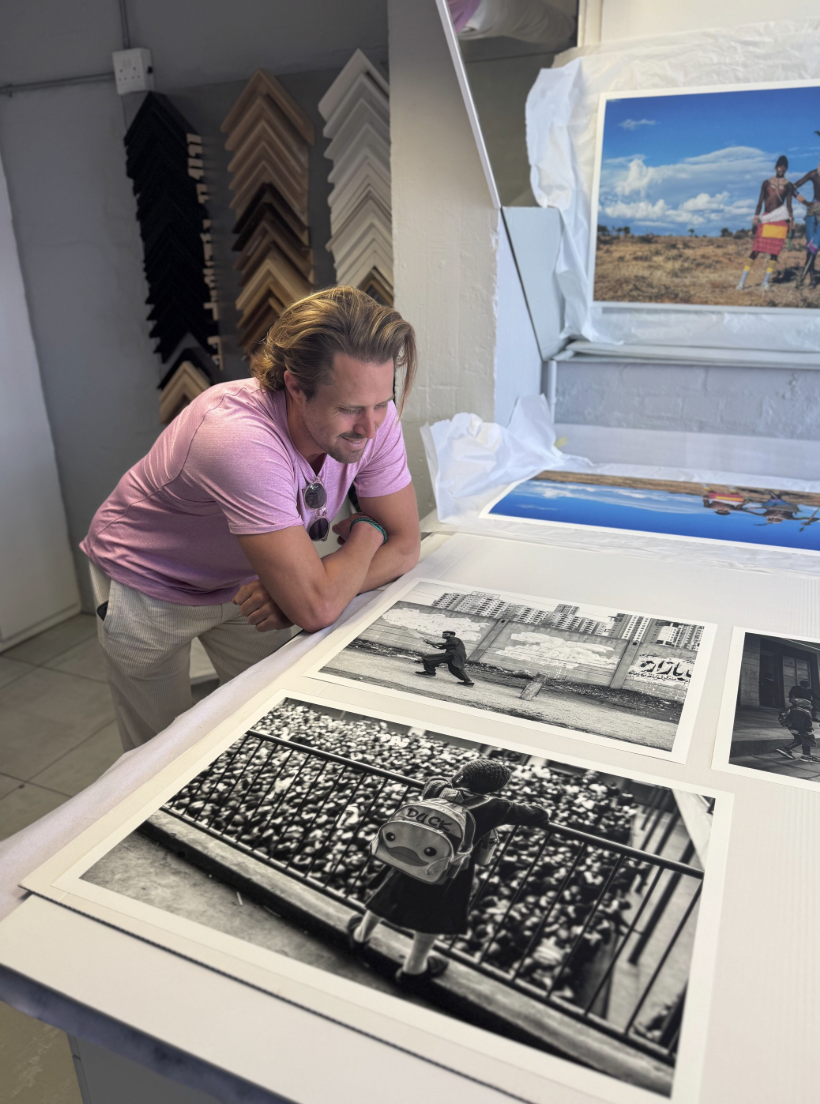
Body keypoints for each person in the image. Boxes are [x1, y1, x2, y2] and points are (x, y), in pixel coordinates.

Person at [82, 288, 421, 750]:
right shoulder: (239, 439)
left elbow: (406, 545)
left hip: (249, 579)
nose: (372, 427)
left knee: (277, 717)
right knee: (159, 753)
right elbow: (323, 603)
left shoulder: (373, 419)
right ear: (295, 387)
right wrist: (367, 529)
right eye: (349, 409)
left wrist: (310, 589)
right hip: (148, 583)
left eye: (381, 403)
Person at [347, 758, 551, 988]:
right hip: (451, 870)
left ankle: (360, 937)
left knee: (388, 894)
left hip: (413, 858)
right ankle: (413, 969)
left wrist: (455, 781)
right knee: (434, 914)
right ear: (496, 789)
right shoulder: (498, 808)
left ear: (462, 776)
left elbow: (435, 780)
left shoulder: (437, 789)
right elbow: (540, 814)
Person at [736, 157, 796, 290]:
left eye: (784, 167)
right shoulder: (766, 183)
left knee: (774, 253)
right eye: (780, 166)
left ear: (786, 169)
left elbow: (789, 206)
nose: (781, 169)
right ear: (776, 167)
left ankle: (765, 282)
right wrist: (755, 217)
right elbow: (760, 202)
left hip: (779, 221)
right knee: (755, 250)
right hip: (766, 219)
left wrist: (792, 221)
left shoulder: (788, 186)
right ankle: (742, 282)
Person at [792, 145, 820, 288]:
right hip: (812, 210)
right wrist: (805, 202)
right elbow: (792, 187)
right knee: (809, 246)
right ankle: (813, 279)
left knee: (816, 244)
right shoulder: (814, 174)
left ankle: (802, 278)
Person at [776, 698, 818, 763]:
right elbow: (799, 723)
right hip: (803, 730)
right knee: (807, 742)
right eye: (808, 704)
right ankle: (806, 756)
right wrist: (803, 732)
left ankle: (786, 749)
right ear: (802, 704)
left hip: (795, 729)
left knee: (798, 740)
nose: (810, 705)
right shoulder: (801, 712)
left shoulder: (794, 710)